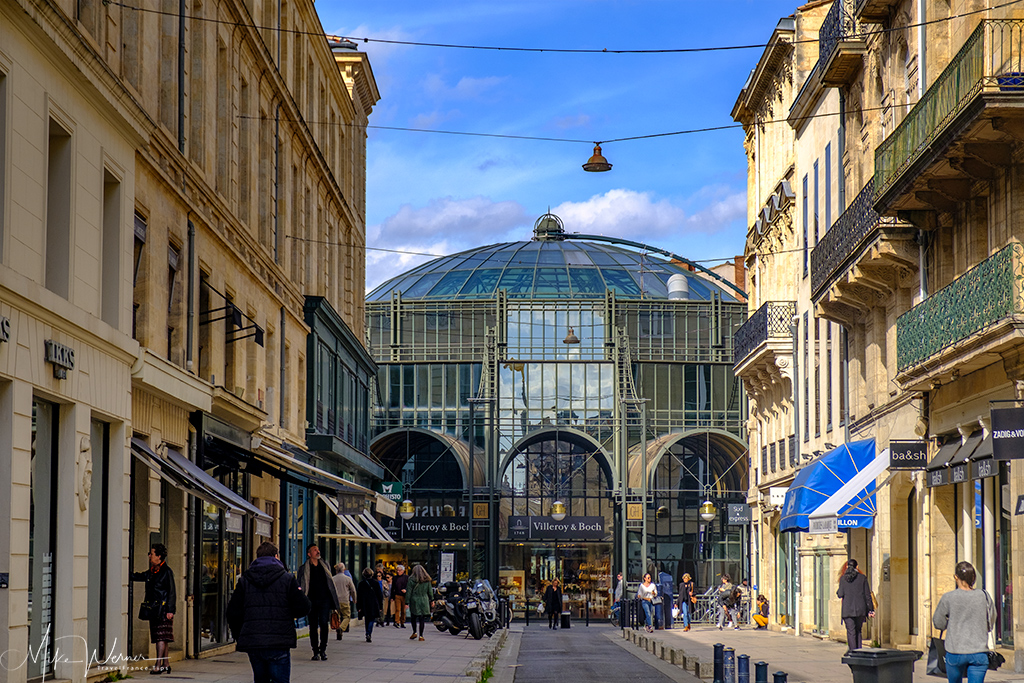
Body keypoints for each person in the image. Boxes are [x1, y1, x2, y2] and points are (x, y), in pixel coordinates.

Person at [227, 542, 311, 683]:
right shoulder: (287, 579)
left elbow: (232, 612)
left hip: (254, 640)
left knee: (260, 679)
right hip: (279, 640)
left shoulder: (245, 581)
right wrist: (288, 614)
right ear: (276, 556)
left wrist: (239, 634)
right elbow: (304, 606)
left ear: (257, 557)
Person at [933, 561, 996, 683]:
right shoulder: (984, 595)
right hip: (979, 651)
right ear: (973, 577)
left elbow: (938, 622)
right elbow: (991, 618)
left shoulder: (948, 597)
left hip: (955, 651)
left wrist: (950, 625)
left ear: (956, 577)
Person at [132, 543, 176, 674]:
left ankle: (158, 664)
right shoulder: (152, 572)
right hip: (154, 610)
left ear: (159, 557)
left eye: (152, 554)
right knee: (162, 637)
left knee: (160, 638)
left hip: (163, 610)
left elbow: (172, 592)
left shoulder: (166, 572)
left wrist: (170, 610)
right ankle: (166, 664)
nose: (149, 556)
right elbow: (139, 576)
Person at [297, 544, 340, 661]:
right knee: (313, 626)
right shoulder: (303, 568)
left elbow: (330, 583)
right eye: (314, 550)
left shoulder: (325, 565)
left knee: (324, 624)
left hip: (324, 600)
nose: (318, 551)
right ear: (309, 554)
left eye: (318, 549)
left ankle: (323, 649)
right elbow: (300, 585)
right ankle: (315, 650)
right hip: (311, 601)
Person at [836, 559, 875, 654]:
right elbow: (867, 595)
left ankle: (853, 651)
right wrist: (871, 609)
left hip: (847, 610)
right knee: (858, 631)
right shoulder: (862, 578)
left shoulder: (843, 579)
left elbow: (840, 594)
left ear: (847, 567)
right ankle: (859, 651)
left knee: (851, 632)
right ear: (857, 567)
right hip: (860, 609)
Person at [357, 567, 384, 642]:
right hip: (373, 603)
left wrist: (358, 606)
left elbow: (359, 596)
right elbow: (379, 595)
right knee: (372, 619)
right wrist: (380, 606)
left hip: (364, 603)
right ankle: (369, 632)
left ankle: (367, 633)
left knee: (367, 618)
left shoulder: (361, 583)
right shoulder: (375, 583)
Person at [407, 565, 434, 642]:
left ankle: (414, 632)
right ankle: (421, 635)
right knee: (422, 618)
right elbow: (430, 591)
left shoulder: (411, 579)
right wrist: (432, 600)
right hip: (424, 599)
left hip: (414, 599)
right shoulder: (427, 580)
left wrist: (406, 601)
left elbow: (409, 592)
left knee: (414, 616)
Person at [332, 563, 356, 640]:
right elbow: (353, 590)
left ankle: (338, 632)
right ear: (344, 569)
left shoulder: (333, 579)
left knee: (337, 617)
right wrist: (354, 599)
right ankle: (341, 628)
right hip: (345, 600)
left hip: (335, 601)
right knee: (347, 616)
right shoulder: (347, 579)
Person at [392, 565, 409, 629]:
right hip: (397, 594)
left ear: (403, 571)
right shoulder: (395, 578)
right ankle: (397, 621)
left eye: (400, 570)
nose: (398, 571)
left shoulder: (406, 577)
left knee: (403, 610)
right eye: (397, 570)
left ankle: (402, 622)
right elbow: (393, 587)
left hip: (404, 595)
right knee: (397, 609)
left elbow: (409, 586)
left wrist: (406, 590)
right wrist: (392, 596)